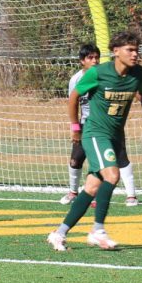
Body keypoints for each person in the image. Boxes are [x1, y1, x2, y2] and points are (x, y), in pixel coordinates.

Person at [47, 31, 142, 252]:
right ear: (116, 52)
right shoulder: (97, 73)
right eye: (129, 50)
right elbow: (74, 97)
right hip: (95, 133)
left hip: (115, 135)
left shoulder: (139, 74)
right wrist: (75, 128)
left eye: (136, 50)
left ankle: (59, 233)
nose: (135, 54)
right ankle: (98, 230)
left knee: (92, 187)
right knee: (112, 175)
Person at [60, 43, 100, 205]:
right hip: (84, 125)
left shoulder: (103, 76)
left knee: (97, 161)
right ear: (82, 61)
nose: (95, 61)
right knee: (75, 160)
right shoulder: (76, 80)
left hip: (100, 126)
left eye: (97, 57)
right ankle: (73, 192)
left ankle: (94, 195)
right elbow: (73, 103)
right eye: (90, 58)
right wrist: (75, 128)